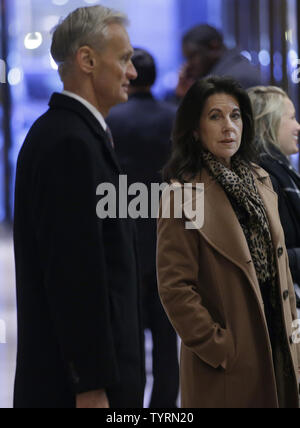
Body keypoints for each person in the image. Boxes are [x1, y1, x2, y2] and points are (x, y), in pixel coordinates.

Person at [13, 5, 145, 409]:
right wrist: (90, 385)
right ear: (87, 60)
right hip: (80, 390)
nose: (133, 72)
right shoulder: (69, 143)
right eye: (124, 59)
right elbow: (75, 275)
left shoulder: (77, 134)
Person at [157, 76, 300, 408]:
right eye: (215, 117)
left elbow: (277, 263)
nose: (228, 127)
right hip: (229, 362)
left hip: (277, 344)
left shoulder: (261, 181)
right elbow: (176, 287)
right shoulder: (182, 195)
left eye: (235, 116)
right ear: (195, 129)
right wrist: (218, 346)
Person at [107, 48, 179, 408]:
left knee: (128, 334)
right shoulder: (175, 118)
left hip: (125, 236)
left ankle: (128, 408)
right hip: (169, 234)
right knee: (168, 336)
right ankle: (164, 407)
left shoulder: (110, 119)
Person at [248, 86, 300, 313]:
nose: (297, 126)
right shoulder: (265, 178)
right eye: (291, 117)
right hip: (279, 308)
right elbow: (266, 256)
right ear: (270, 122)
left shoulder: (282, 172)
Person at [174, 24, 261, 100]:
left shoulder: (236, 78)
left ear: (214, 47)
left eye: (192, 56)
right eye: (186, 58)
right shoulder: (222, 74)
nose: (189, 65)